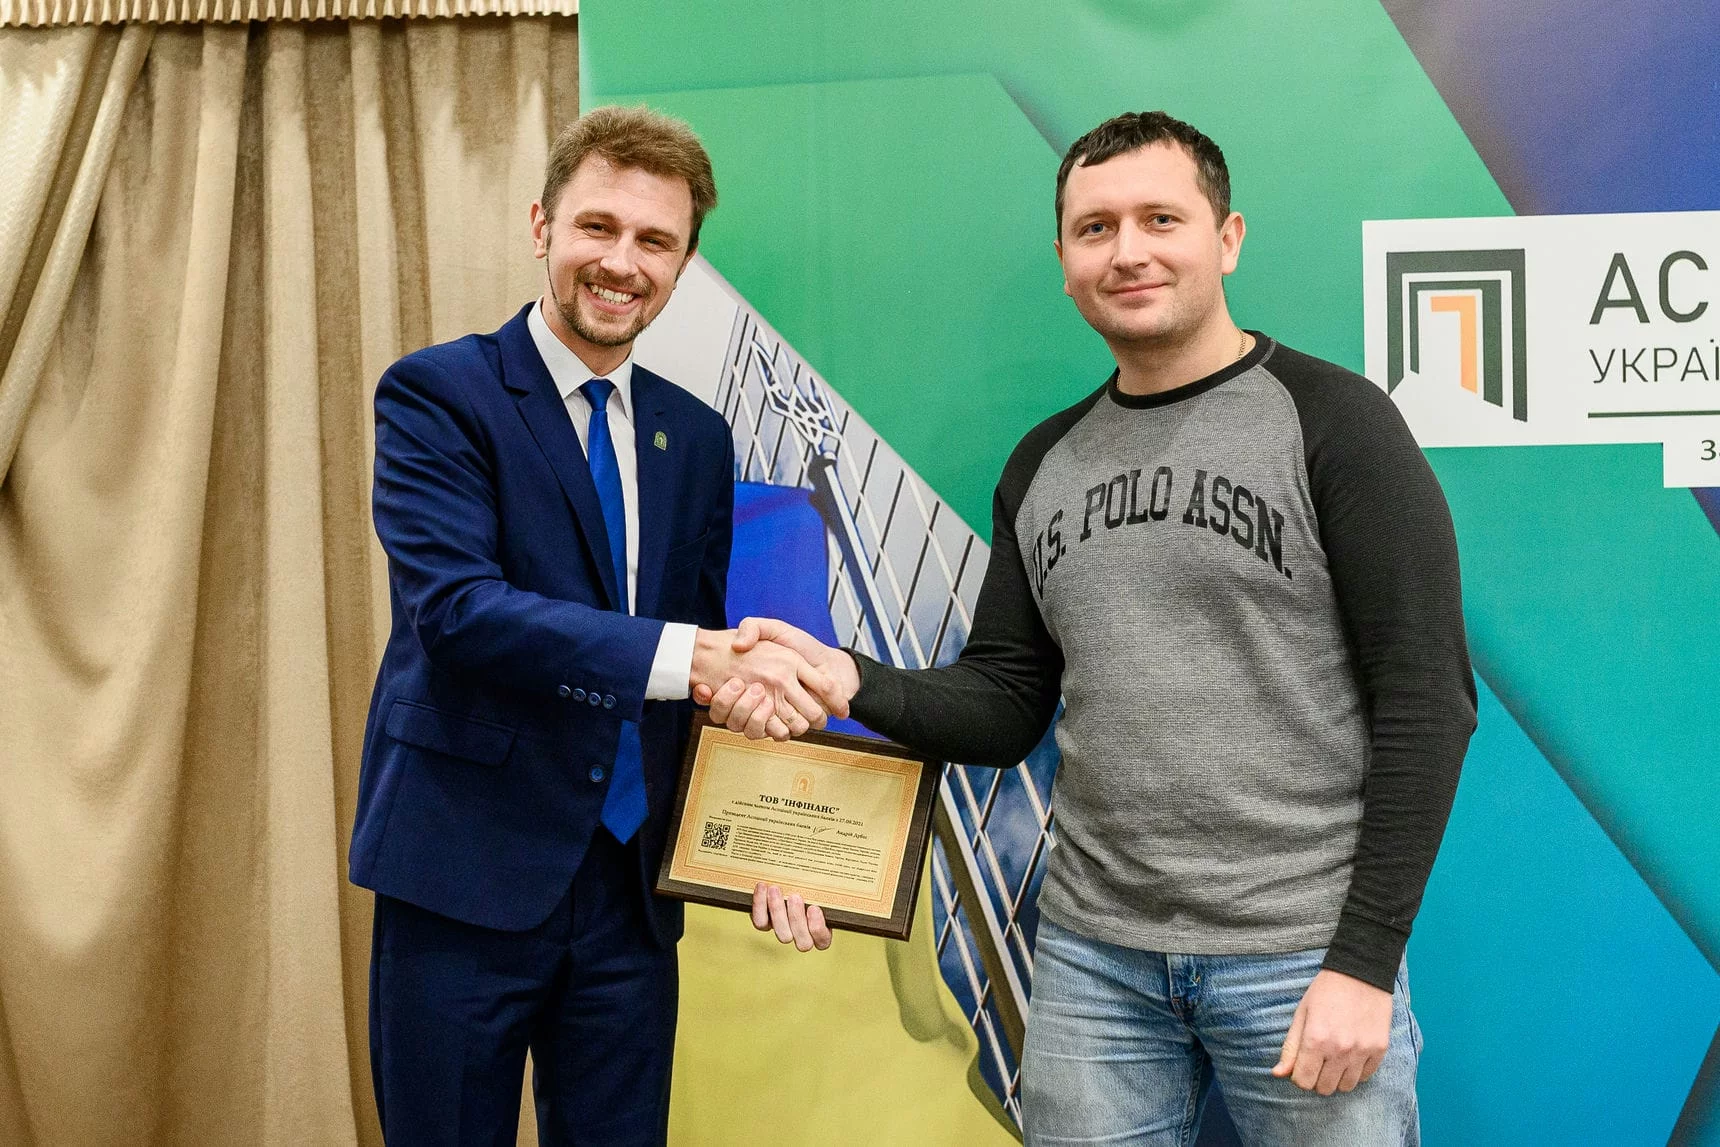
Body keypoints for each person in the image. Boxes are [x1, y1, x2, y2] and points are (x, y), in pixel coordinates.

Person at [700, 110, 1477, 1145]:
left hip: (1299, 955)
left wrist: (1364, 961)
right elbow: (1003, 703)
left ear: (1227, 238)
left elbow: (1428, 701)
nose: (1128, 251)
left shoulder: (1336, 422)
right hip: (1093, 963)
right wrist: (851, 679)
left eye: (1161, 219)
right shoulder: (1044, 463)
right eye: (1096, 228)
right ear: (1066, 263)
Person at [350, 105, 843, 1147]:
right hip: (464, 878)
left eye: (655, 240)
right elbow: (459, 614)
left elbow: (704, 675)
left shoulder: (695, 437)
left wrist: (770, 839)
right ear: (542, 225)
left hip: (630, 894)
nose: (622, 263)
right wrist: (691, 655)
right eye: (597, 227)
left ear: (683, 263)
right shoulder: (439, 395)